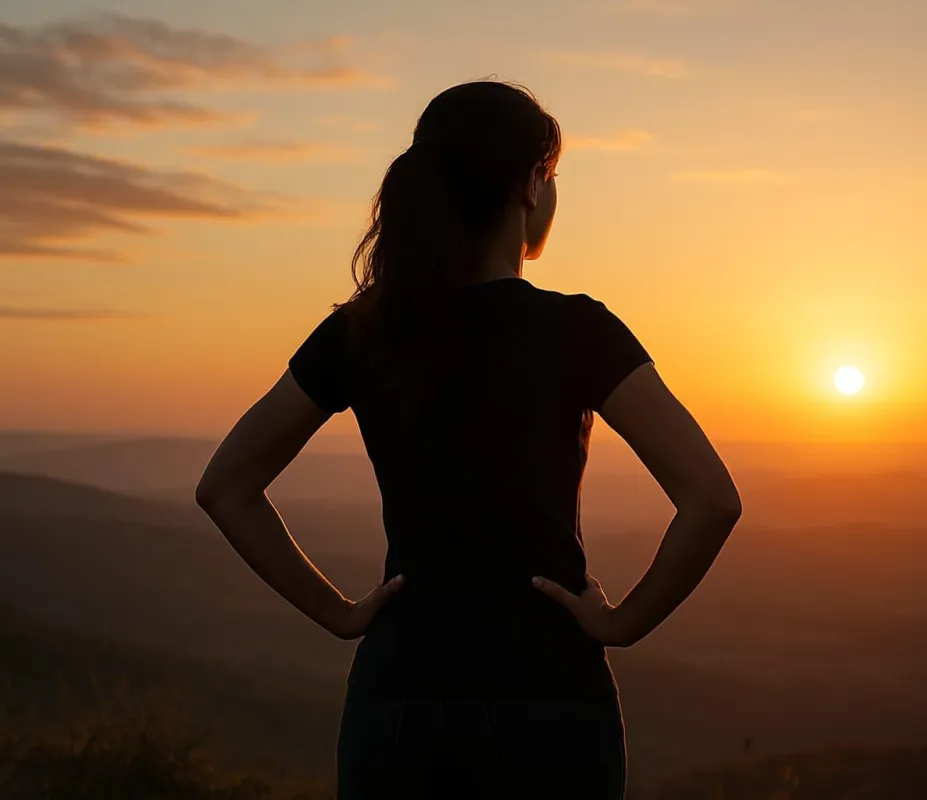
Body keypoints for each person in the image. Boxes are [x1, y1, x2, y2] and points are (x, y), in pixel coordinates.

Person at [195, 80, 741, 799]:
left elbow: (227, 487)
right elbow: (710, 499)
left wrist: (340, 614)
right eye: (552, 176)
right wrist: (623, 623)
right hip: (550, 701)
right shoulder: (577, 330)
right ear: (528, 187)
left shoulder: (366, 330)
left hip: (401, 701)